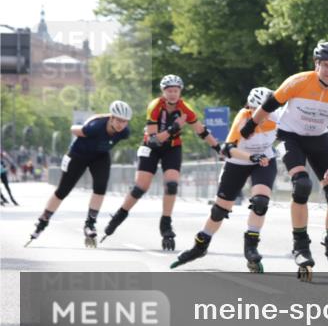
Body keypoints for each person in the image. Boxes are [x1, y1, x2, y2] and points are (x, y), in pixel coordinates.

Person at [241, 41, 328, 281]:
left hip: (319, 138)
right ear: (316, 64)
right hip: (290, 135)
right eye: (326, 65)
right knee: (302, 185)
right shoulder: (298, 81)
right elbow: (270, 104)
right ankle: (301, 247)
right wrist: (251, 125)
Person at [101, 75, 221, 249]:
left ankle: (165, 224)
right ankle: (119, 215)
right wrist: (174, 128)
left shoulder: (185, 109)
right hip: (151, 147)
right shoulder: (155, 106)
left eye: (176, 91)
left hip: (172, 148)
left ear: (180, 92)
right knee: (140, 188)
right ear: (163, 92)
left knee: (171, 185)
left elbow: (201, 131)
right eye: (169, 91)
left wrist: (218, 148)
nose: (172, 94)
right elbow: (153, 140)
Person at [171, 87, 278, 272]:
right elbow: (228, 149)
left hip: (264, 160)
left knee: (260, 202)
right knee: (219, 210)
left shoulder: (278, 116)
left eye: (266, 110)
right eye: (256, 110)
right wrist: (251, 157)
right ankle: (200, 246)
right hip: (238, 161)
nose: (262, 115)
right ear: (249, 107)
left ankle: (251, 247)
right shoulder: (243, 117)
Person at [25, 102, 133, 247]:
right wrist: (86, 123)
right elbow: (73, 129)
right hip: (78, 155)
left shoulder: (124, 132)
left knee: (100, 188)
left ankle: (90, 223)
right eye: (118, 120)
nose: (121, 124)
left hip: (100, 156)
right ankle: (43, 221)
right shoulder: (95, 126)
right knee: (63, 191)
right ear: (111, 118)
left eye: (124, 121)